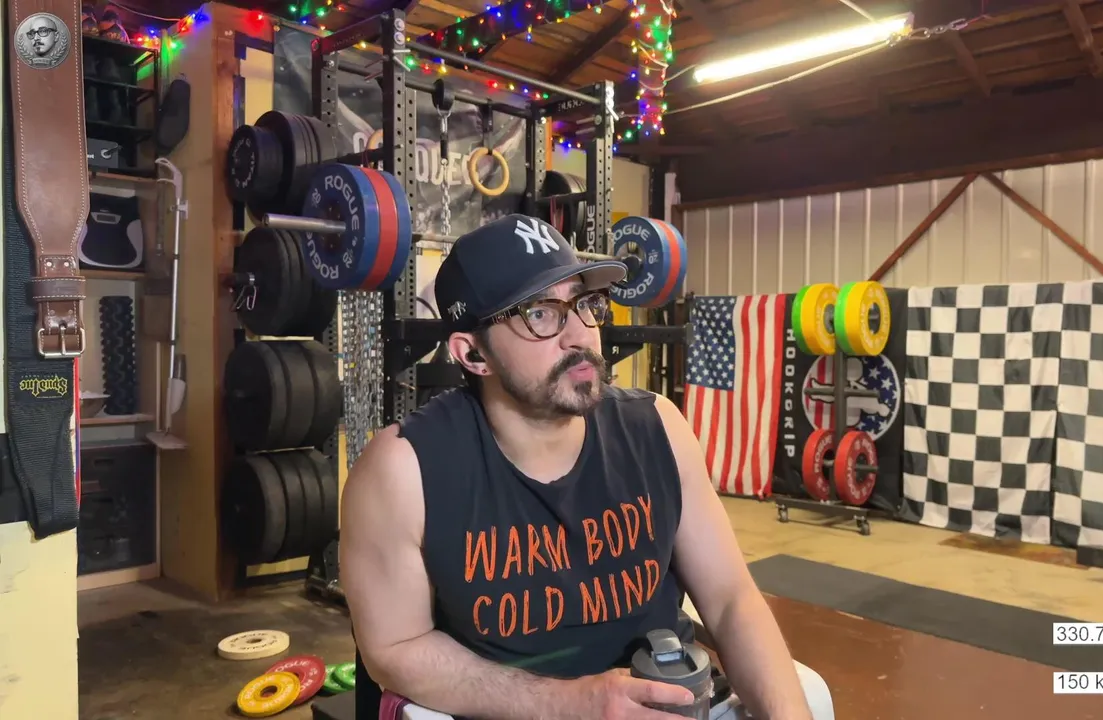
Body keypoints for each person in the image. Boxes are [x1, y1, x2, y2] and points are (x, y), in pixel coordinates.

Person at [341, 214, 825, 719]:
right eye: (540, 314)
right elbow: (394, 649)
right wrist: (570, 703)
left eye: (584, 304)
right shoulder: (404, 471)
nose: (580, 335)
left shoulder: (659, 429)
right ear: (473, 354)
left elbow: (730, 600)